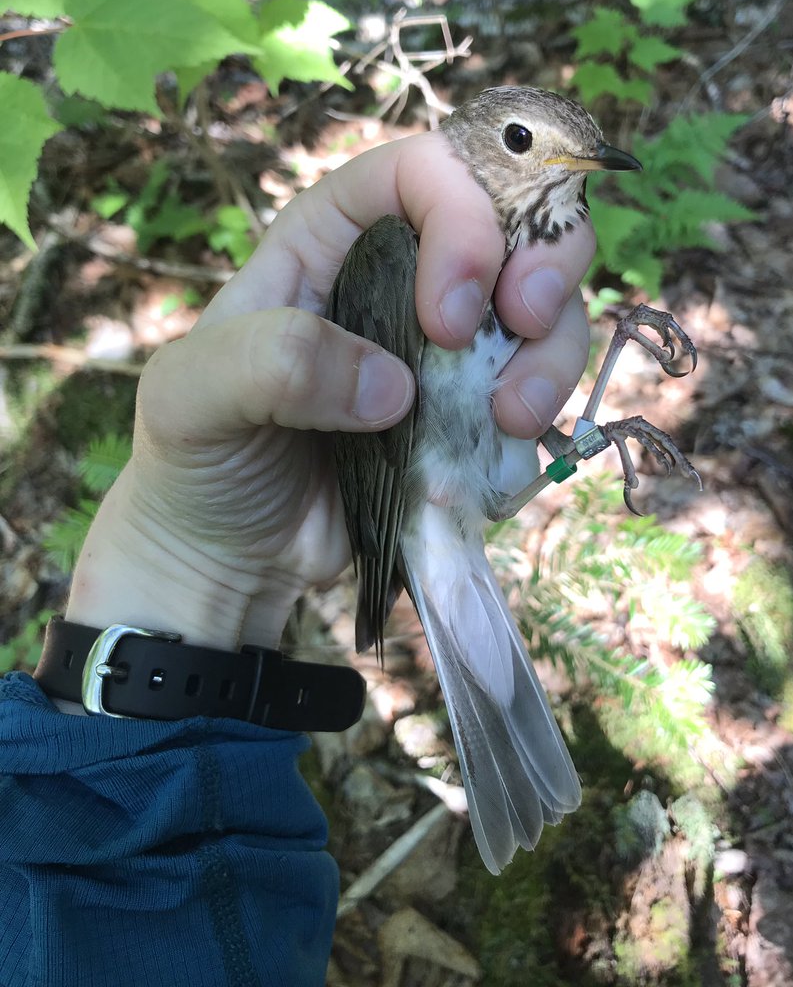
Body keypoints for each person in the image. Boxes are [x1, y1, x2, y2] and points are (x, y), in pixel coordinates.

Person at [0, 128, 595, 986]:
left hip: (429, 489)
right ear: (478, 146)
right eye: (525, 140)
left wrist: (191, 562)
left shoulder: (466, 255)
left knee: (493, 464)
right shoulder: (399, 250)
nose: (565, 165)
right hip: (417, 488)